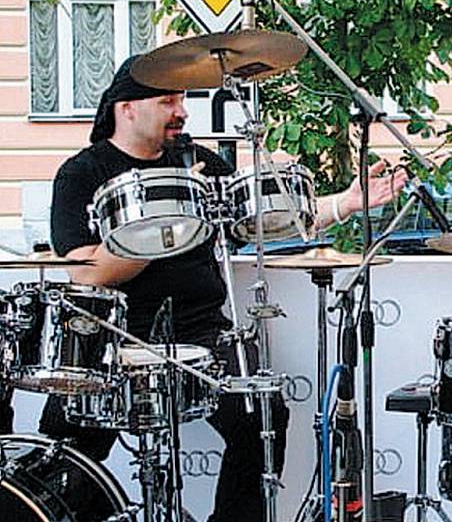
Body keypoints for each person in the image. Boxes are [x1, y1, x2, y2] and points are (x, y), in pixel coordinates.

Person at [40, 55, 408, 522]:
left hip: (202, 332)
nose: (182, 112)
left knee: (261, 414)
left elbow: (268, 217)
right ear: (126, 107)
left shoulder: (198, 163)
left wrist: (349, 202)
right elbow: (86, 273)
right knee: (64, 451)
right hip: (111, 337)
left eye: (182, 100)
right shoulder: (82, 174)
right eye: (167, 101)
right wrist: (169, 225)